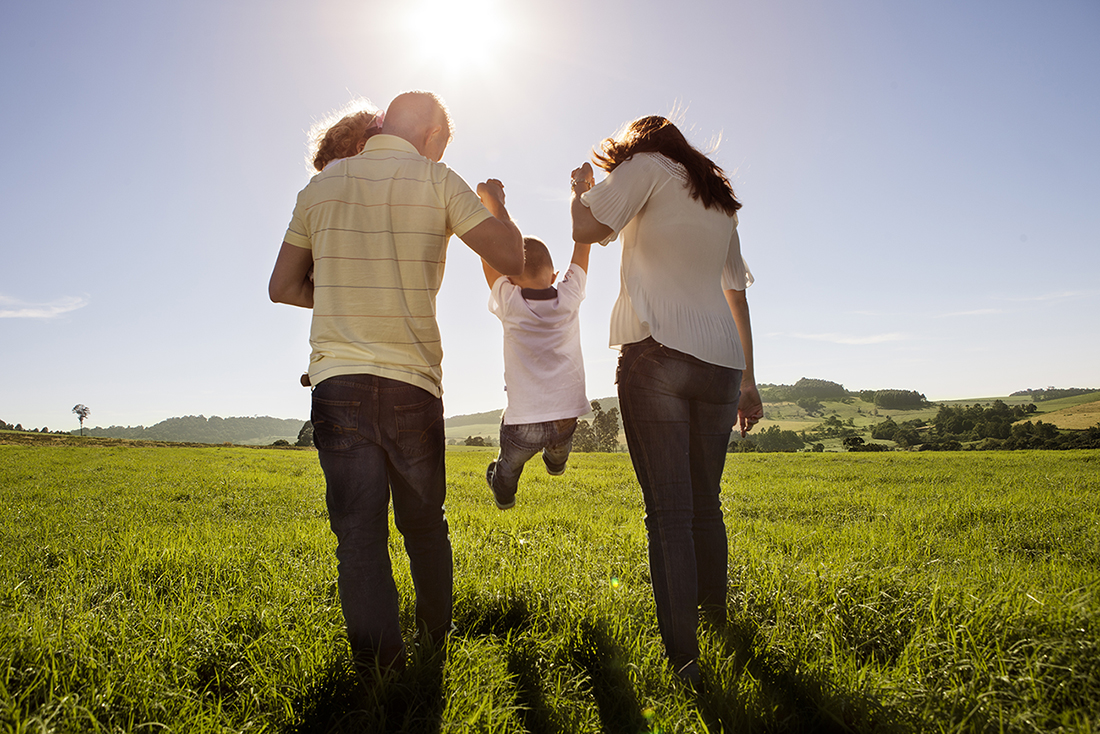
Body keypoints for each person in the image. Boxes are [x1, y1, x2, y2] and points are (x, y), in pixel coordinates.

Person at [268, 91, 524, 677]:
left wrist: (338, 300)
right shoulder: (438, 180)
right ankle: (435, 644)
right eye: (442, 144)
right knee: (424, 525)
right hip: (413, 382)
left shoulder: (320, 188)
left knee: (359, 536)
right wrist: (497, 207)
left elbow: (282, 286)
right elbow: (512, 257)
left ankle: (381, 674)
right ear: (431, 134)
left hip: (338, 384)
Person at [569, 115, 764, 684]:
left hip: (659, 353)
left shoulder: (645, 167)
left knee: (670, 515)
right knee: (706, 505)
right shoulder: (718, 198)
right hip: (722, 363)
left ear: (637, 143)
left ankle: (685, 664)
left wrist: (580, 189)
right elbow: (736, 296)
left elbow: (587, 227)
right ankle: (715, 628)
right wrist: (749, 381)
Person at [481, 236, 592, 510]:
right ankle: (556, 463)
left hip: (523, 423)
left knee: (509, 465)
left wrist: (492, 213)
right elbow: (583, 246)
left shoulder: (510, 301)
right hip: (566, 415)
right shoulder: (569, 296)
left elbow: (486, 252)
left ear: (509, 280)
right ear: (554, 276)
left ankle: (504, 496)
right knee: (560, 447)